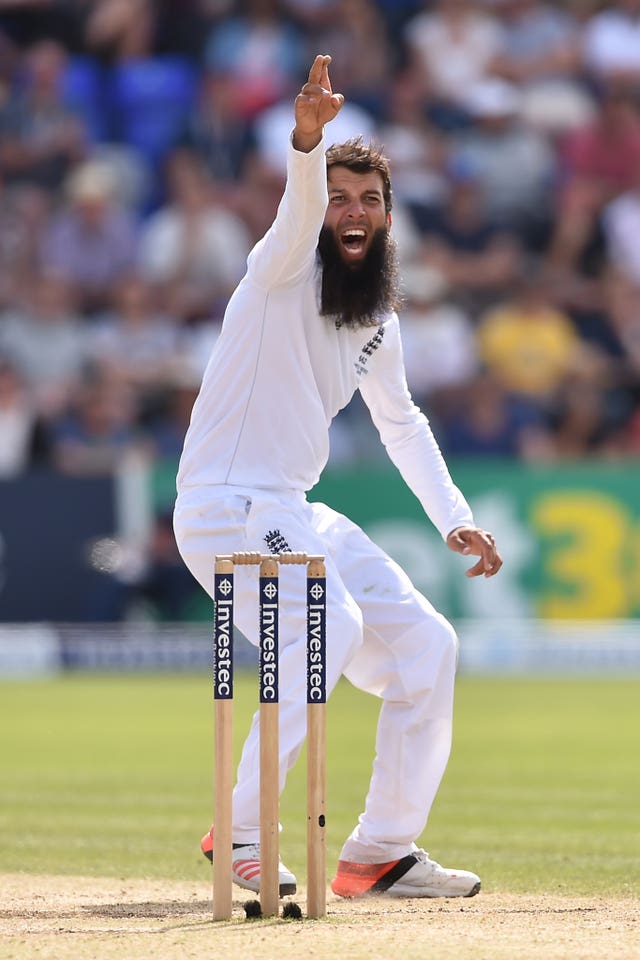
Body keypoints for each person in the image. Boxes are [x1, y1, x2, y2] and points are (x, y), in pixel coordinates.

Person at [173, 55, 502, 901]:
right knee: (330, 624)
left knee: (430, 646)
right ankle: (242, 831)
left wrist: (452, 517)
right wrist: (307, 142)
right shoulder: (281, 270)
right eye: (341, 200)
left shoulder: (377, 322)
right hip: (224, 504)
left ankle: (379, 852)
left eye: (371, 201)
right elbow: (298, 208)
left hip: (291, 509)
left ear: (389, 218)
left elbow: (404, 426)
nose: (353, 213)